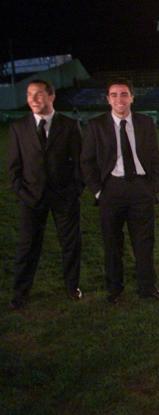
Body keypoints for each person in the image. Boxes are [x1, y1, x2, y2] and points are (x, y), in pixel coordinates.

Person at [81, 79, 159, 303]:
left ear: (132, 97)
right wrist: (99, 192)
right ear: (108, 99)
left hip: (141, 189)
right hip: (111, 189)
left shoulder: (146, 123)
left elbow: (156, 158)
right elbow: (87, 162)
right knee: (112, 244)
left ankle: (147, 288)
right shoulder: (96, 125)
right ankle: (115, 290)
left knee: (144, 243)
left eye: (123, 94)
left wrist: (153, 187)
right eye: (114, 95)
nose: (119, 99)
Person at [7, 79, 83, 309]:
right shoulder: (18, 127)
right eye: (29, 94)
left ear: (51, 96)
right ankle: (20, 293)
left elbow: (81, 164)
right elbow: (13, 167)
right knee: (27, 247)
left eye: (38, 94)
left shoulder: (70, 126)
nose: (33, 99)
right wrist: (22, 193)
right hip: (31, 199)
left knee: (70, 245)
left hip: (64, 198)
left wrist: (74, 192)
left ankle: (72, 287)